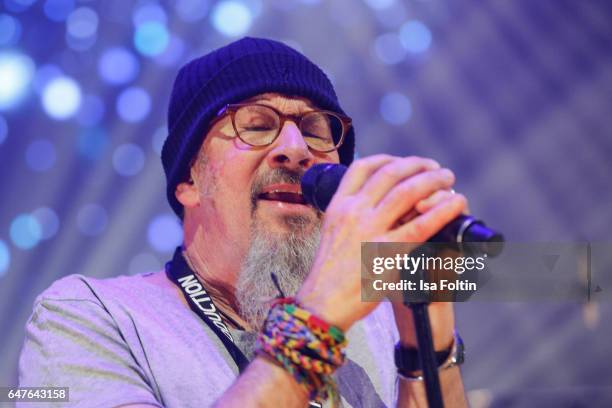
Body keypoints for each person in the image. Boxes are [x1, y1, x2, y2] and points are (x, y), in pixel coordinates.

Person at [18, 37, 469, 407]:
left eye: (315, 130)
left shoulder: (378, 324)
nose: (296, 149)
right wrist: (315, 321)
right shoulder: (90, 315)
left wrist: (427, 342)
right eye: (256, 124)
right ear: (189, 181)